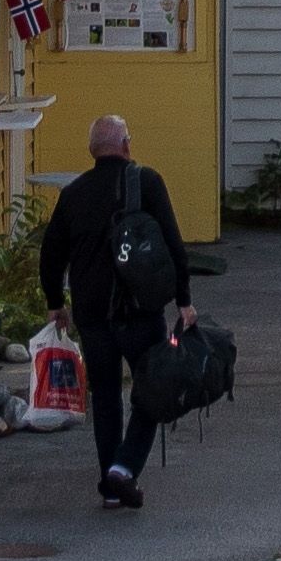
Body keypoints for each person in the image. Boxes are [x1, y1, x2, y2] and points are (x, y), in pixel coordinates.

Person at [38, 112, 198, 511]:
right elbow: (174, 245)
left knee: (106, 397)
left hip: (94, 317)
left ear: (92, 150)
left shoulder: (73, 194)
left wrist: (56, 302)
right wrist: (184, 299)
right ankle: (124, 469)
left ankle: (111, 488)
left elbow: (51, 253)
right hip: (140, 312)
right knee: (151, 392)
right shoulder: (146, 182)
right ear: (127, 145)